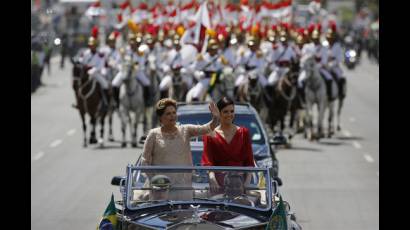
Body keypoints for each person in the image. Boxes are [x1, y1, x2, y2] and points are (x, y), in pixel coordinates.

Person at [141, 98, 220, 200]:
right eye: (168, 113)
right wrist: (155, 180)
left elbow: (206, 128)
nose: (172, 116)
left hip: (183, 190)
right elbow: (144, 162)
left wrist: (215, 118)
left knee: (186, 215)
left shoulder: (185, 130)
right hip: (161, 191)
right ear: (161, 118)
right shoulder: (153, 134)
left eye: (174, 113)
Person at [201, 96, 255, 194]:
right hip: (218, 185)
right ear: (219, 113)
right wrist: (213, 180)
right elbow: (208, 161)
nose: (229, 114)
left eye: (232, 111)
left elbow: (249, 162)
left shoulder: (244, 132)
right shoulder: (210, 134)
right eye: (225, 111)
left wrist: (246, 184)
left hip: (240, 184)